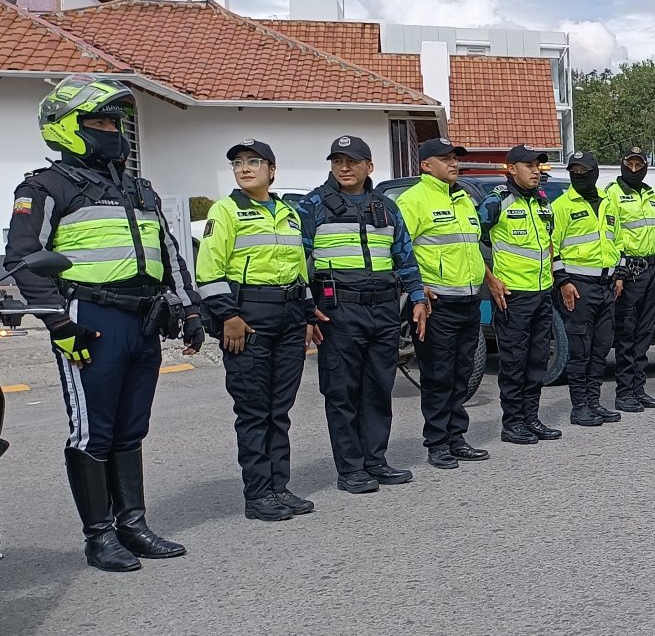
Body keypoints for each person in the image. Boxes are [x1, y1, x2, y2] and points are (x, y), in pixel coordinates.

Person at [4, 74, 203, 571]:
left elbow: (169, 251)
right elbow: (24, 260)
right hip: (88, 319)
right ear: (65, 126)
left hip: (142, 321)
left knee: (131, 429)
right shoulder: (43, 186)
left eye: (117, 122)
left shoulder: (139, 188)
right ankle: (99, 537)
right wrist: (58, 323)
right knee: (93, 431)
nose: (113, 131)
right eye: (99, 121)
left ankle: (131, 525)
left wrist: (190, 306)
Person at [297, 136, 428, 493]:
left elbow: (404, 255)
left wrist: (417, 296)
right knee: (342, 391)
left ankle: (376, 460)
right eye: (337, 161)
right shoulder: (314, 206)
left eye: (352, 161)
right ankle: (350, 468)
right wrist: (307, 311)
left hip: (384, 311)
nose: (344, 168)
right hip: (338, 311)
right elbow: (296, 262)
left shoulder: (385, 207)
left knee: (378, 388)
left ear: (368, 167)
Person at [197, 139, 318, 521]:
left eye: (254, 161)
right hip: (247, 318)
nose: (245, 168)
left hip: (289, 317)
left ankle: (279, 487)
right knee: (254, 410)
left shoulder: (288, 213)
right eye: (238, 163)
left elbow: (301, 268)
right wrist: (227, 315)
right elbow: (209, 270)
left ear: (272, 169)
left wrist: (309, 315)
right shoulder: (226, 210)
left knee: (279, 410)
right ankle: (258, 494)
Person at [394, 138, 490, 469]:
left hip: (468, 300)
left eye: (455, 158)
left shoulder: (463, 199)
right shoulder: (413, 201)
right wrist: (417, 288)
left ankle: (456, 437)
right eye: (445, 158)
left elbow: (471, 246)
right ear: (425, 165)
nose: (453, 163)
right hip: (436, 304)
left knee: (462, 373)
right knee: (438, 375)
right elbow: (399, 249)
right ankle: (437, 443)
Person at [478, 145, 562, 443]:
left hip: (541, 293)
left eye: (538, 166)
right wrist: (490, 279)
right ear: (511, 168)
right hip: (512, 295)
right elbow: (470, 242)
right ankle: (512, 423)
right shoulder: (496, 201)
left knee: (537, 360)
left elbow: (548, 241)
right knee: (514, 362)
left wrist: (552, 272)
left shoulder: (542, 202)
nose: (536, 170)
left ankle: (531, 418)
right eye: (529, 166)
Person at [552, 151, 622, 426]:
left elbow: (617, 239)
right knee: (581, 348)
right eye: (574, 171)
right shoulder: (561, 206)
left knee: (601, 346)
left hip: (606, 284)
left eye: (583, 171)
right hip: (578, 285)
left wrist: (619, 273)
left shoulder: (607, 203)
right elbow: (552, 247)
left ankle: (594, 402)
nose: (578, 175)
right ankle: (579, 406)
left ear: (594, 172)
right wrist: (563, 282)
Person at [607, 147, 655, 414]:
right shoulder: (612, 193)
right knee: (626, 334)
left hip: (651, 269)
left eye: (638, 164)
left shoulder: (651, 194)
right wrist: (618, 272)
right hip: (628, 271)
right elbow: (610, 235)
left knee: (644, 334)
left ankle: (638, 389)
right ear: (622, 165)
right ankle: (624, 393)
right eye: (629, 164)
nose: (634, 169)